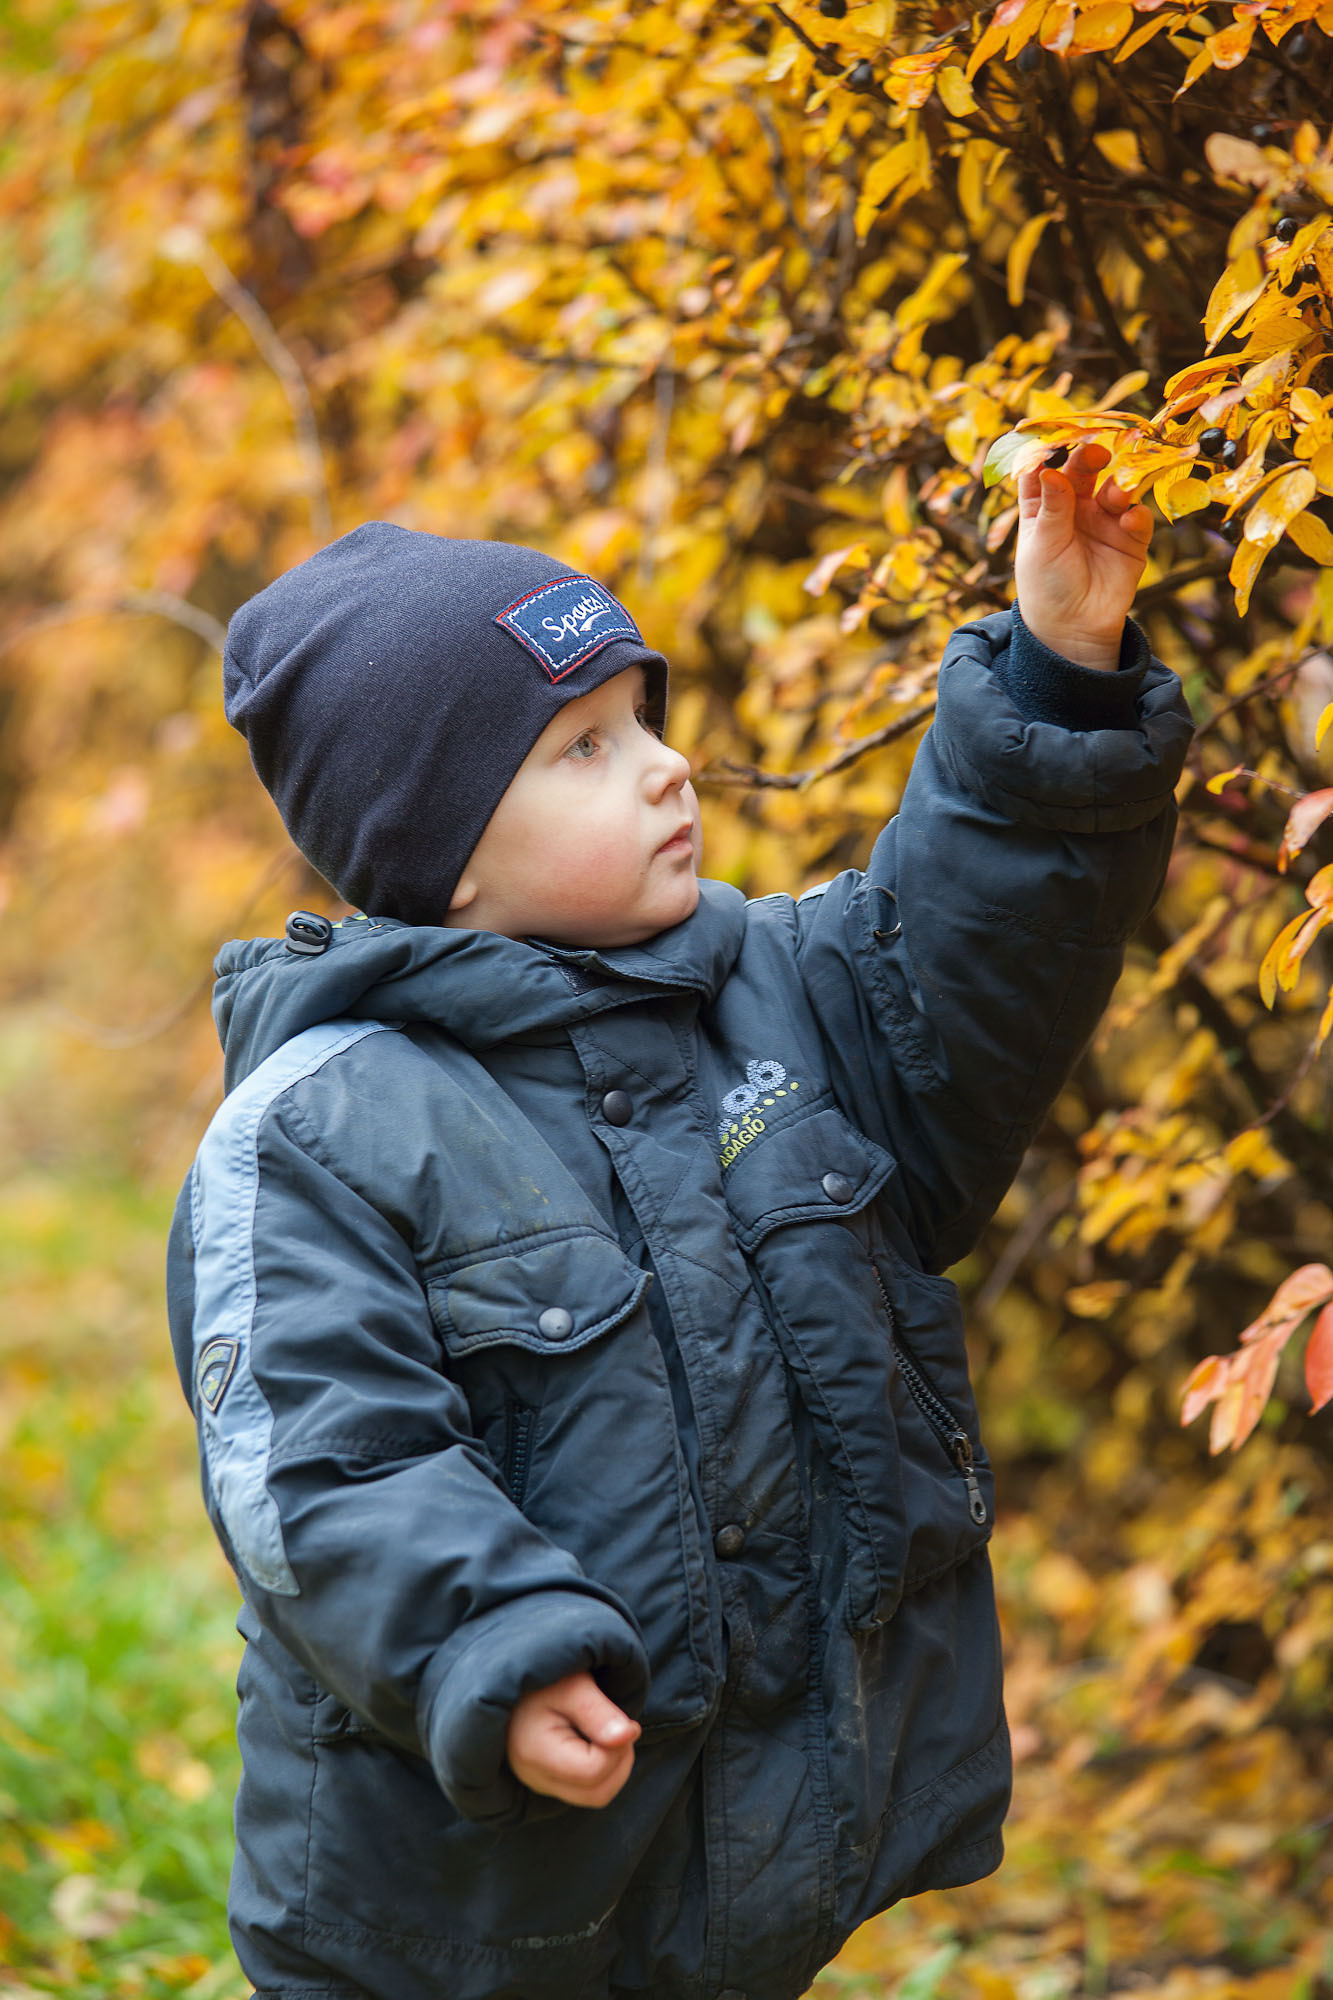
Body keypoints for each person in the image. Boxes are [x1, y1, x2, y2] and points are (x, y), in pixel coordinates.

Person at [167, 440, 1193, 2000]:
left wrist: (1054, 673)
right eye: (579, 748)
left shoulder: (783, 998)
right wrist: (483, 1650)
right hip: (458, 1909)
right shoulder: (320, 1127)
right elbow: (327, 1459)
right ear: (433, 857)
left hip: (732, 1877)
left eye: (641, 719)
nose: (662, 765)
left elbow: (973, 956)